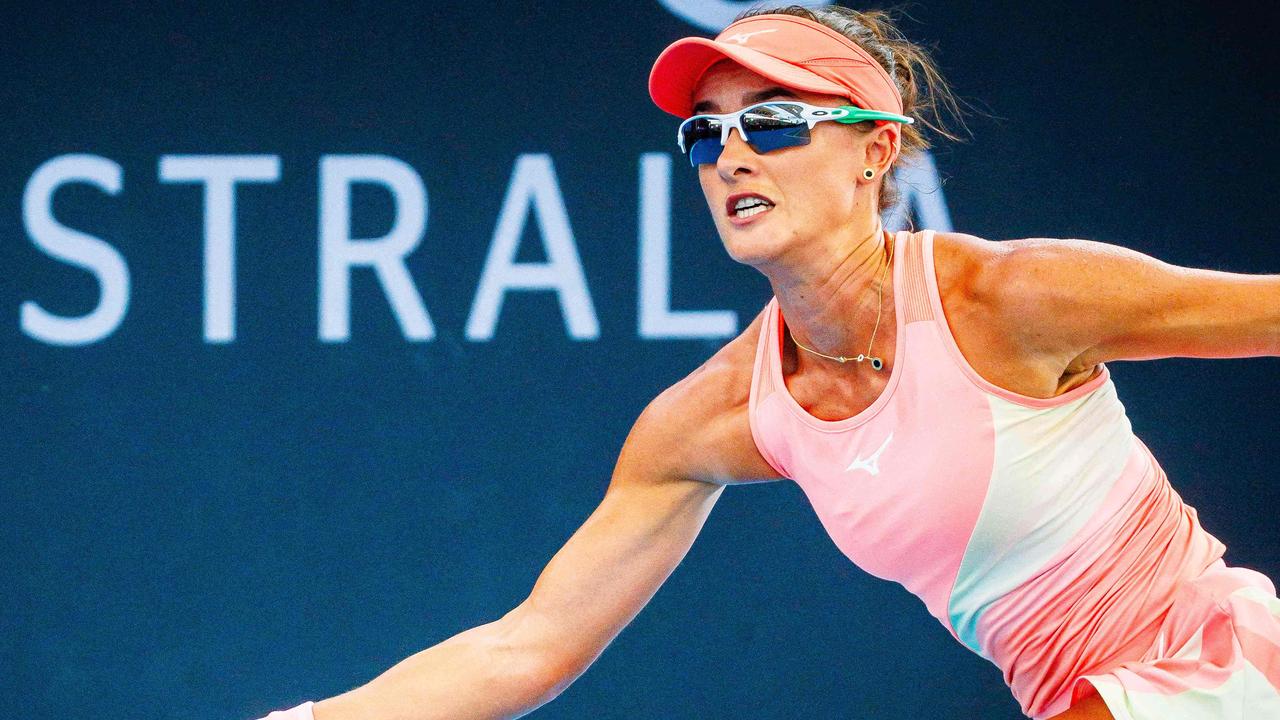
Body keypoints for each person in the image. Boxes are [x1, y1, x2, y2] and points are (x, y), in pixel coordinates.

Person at [256, 7, 1280, 720]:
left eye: (775, 124)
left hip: (1223, 669)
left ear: (873, 152)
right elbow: (528, 647)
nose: (732, 155)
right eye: (707, 136)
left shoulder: (1012, 297)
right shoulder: (710, 419)